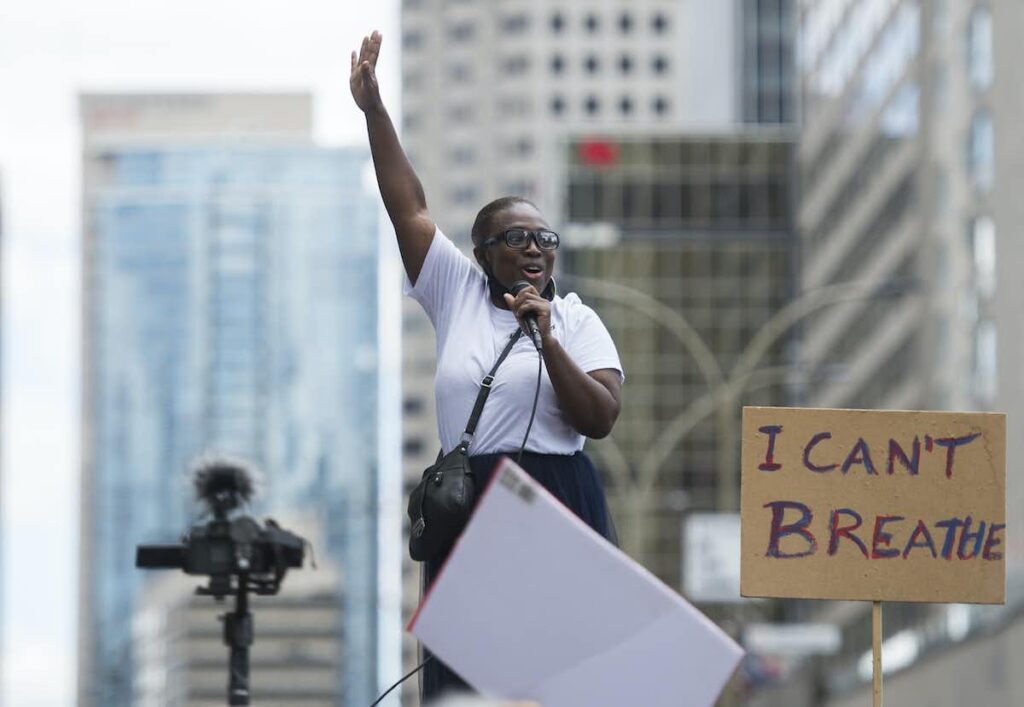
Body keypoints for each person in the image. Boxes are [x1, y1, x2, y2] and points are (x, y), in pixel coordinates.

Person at [351, 31, 624, 703]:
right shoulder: (456, 291)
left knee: (561, 673)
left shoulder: (579, 319)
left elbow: (600, 416)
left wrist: (547, 336)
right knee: (470, 673)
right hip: (474, 500)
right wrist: (374, 111)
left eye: (544, 238)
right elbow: (408, 207)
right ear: (482, 252)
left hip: (559, 493)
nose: (535, 247)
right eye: (516, 237)